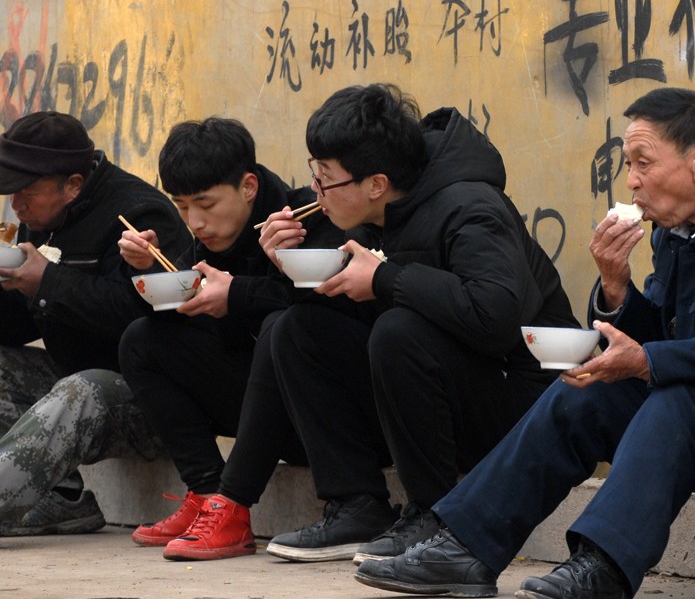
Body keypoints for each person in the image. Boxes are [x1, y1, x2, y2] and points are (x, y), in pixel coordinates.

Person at [353, 87, 695, 599]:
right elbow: (662, 333)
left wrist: (648, 362)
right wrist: (616, 287)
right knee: (584, 391)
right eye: (628, 165)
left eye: (643, 163)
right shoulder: (673, 230)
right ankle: (466, 547)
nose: (631, 181)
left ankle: (605, 566)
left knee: (675, 397)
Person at [159, 83, 578, 563]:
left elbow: (493, 317)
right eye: (315, 174)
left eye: (326, 179)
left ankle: (434, 514)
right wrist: (286, 266)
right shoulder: (375, 216)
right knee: (295, 328)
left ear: (376, 183)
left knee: (399, 333)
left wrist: (385, 278)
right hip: (446, 396)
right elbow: (352, 313)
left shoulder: (471, 207)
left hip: (524, 403)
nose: (316, 191)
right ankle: (356, 504)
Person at [0, 111, 190, 550]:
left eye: (26, 192)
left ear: (72, 184)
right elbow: (16, 327)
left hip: (156, 402)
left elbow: (145, 317)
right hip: (80, 392)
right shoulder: (45, 219)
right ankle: (59, 501)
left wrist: (49, 283)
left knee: (82, 387)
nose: (15, 205)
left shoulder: (139, 216)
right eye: (11, 192)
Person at [117, 117, 345, 548]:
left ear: (248, 187)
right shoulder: (209, 242)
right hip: (260, 412)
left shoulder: (304, 218)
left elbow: (327, 313)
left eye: (205, 204)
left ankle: (233, 507)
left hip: (323, 415)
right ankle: (205, 494)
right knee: (141, 341)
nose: (195, 221)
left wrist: (238, 295)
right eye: (182, 206)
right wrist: (147, 271)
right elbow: (189, 324)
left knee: (281, 328)